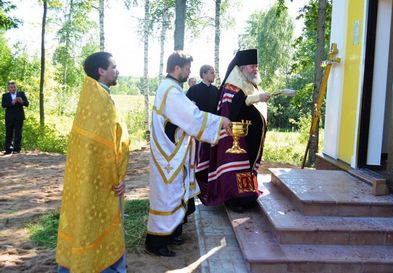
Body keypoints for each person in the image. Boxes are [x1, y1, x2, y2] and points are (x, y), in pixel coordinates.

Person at [145, 51, 232, 257]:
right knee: (167, 195)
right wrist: (221, 121)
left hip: (171, 151)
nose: (189, 72)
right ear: (177, 68)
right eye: (187, 68)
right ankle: (155, 242)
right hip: (168, 154)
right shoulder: (171, 90)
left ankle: (169, 235)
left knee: (173, 193)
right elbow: (192, 117)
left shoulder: (171, 88)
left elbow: (181, 116)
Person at [56, 52, 130, 273]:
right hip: (102, 181)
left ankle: (73, 266)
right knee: (102, 224)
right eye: (114, 67)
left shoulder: (92, 96)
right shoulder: (100, 100)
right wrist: (116, 178)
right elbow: (108, 147)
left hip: (86, 178)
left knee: (83, 222)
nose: (117, 70)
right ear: (101, 71)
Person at [195, 49, 270, 213]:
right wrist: (256, 98)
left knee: (246, 167)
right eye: (252, 66)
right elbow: (233, 108)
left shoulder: (251, 85)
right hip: (234, 137)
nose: (255, 69)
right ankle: (233, 199)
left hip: (250, 137)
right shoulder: (232, 85)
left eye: (256, 66)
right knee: (235, 167)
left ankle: (247, 196)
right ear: (241, 68)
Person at [2, 81, 29, 154]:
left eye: (14, 87)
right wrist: (12, 102)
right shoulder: (5, 95)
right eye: (11, 87)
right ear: (8, 88)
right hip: (9, 117)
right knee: (9, 133)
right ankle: (8, 149)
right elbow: (3, 105)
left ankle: (16, 149)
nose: (13, 88)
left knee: (18, 133)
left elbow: (27, 104)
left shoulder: (21, 94)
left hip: (19, 117)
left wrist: (22, 101)